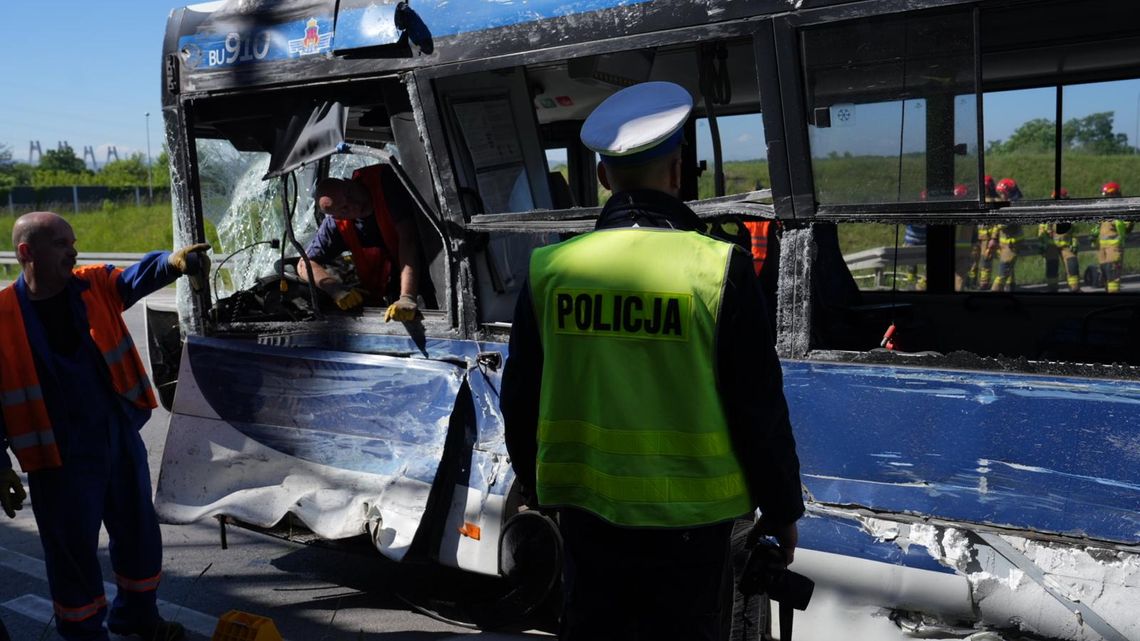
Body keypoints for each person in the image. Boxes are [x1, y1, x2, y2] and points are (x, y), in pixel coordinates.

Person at [499, 82, 804, 641]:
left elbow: (519, 395)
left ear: (603, 177)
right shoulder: (718, 269)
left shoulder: (550, 269)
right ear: (677, 169)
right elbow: (758, 405)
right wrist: (782, 510)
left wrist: (534, 485)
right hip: (692, 532)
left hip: (586, 519)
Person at [0, 211, 209, 641]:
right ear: (26, 253)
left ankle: (137, 618)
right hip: (57, 458)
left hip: (117, 437)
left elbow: (131, 280)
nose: (73, 250)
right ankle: (83, 635)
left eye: (72, 241)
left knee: (138, 537)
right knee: (72, 554)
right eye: (61, 243)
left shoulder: (92, 284)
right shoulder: (2, 318)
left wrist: (170, 264)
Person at [297, 163, 422, 321]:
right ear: (337, 217)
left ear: (349, 181)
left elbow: (408, 238)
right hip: (391, 286)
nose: (354, 204)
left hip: (430, 268)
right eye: (344, 209)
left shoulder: (384, 182)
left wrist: (407, 296)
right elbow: (304, 264)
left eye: (349, 193)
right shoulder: (335, 225)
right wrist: (335, 289)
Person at [1038, 188, 1081, 292]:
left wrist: (1075, 240)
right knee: (1052, 268)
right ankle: (1052, 289)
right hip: (1051, 245)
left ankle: (1075, 289)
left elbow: (1074, 230)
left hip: (1067, 245)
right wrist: (1042, 244)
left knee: (1072, 266)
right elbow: (1042, 229)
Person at [1095, 181, 1133, 293]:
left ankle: (1113, 298)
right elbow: (1099, 226)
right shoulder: (1104, 209)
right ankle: (1108, 295)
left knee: (1112, 273)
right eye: (1105, 196)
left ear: (1114, 194)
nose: (1106, 198)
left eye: (1108, 195)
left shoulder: (1122, 208)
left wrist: (1119, 221)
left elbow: (1127, 226)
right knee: (1105, 273)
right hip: (1102, 247)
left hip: (1114, 247)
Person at [990, 177, 1024, 292]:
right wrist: (994, 239)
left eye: (1003, 193)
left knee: (1003, 272)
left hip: (1012, 244)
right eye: (1000, 193)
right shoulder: (1004, 204)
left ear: (1011, 193)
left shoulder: (1016, 206)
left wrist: (998, 223)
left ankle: (994, 294)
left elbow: (1006, 223)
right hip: (1004, 244)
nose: (1001, 196)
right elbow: (998, 223)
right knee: (1007, 270)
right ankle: (1010, 288)